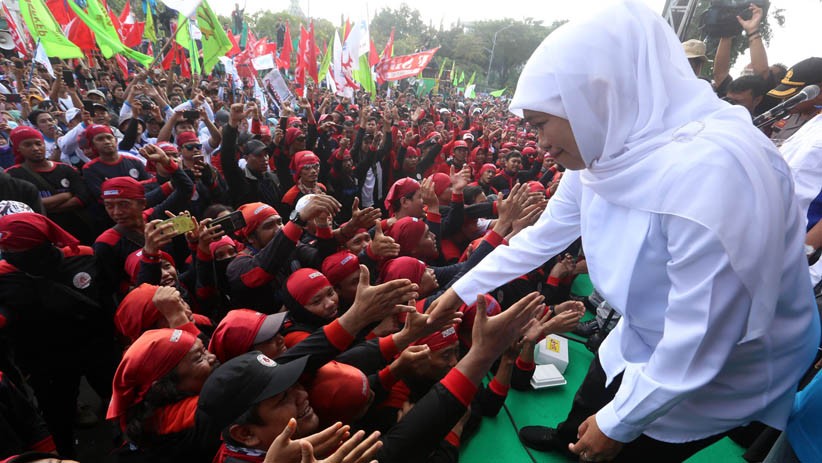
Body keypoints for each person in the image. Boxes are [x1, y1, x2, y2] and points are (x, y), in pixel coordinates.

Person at [427, 2, 820, 462]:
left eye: (541, 124)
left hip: (719, 365)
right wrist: (461, 290)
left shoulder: (713, 175)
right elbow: (544, 234)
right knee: (599, 385)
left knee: (633, 447)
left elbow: (702, 335)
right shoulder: (608, 144)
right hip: (646, 327)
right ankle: (570, 437)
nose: (540, 143)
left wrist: (620, 422)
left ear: (593, 98)